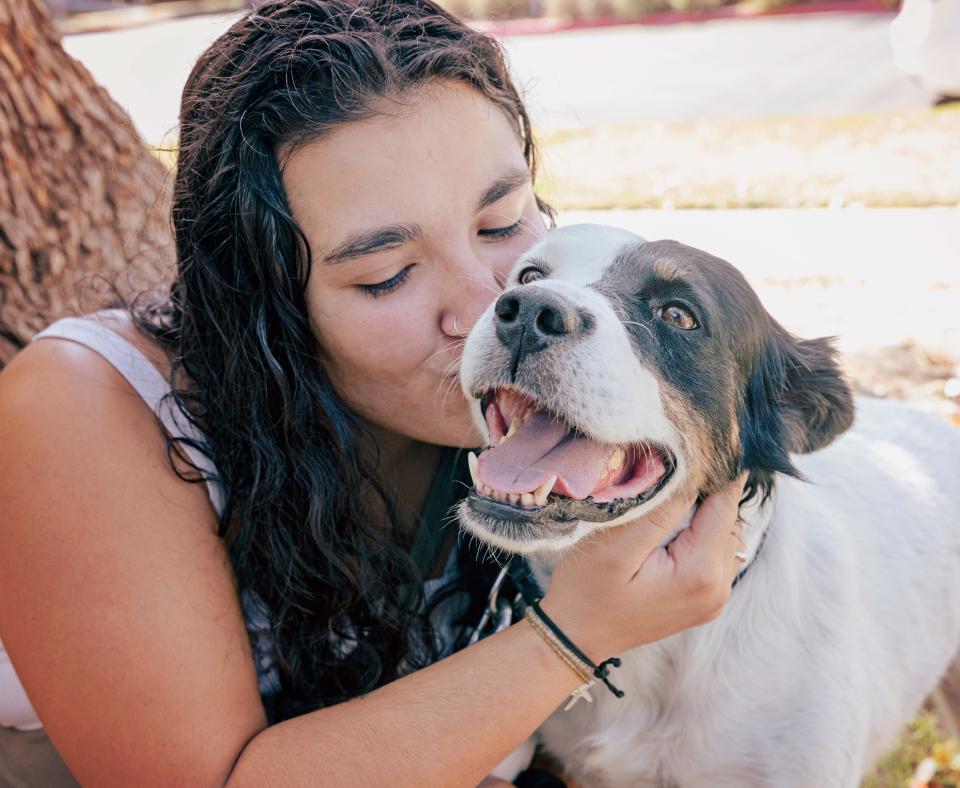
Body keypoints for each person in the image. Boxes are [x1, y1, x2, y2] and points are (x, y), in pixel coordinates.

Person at [0, 0, 748, 784]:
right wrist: (571, 636)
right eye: (386, 274)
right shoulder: (86, 403)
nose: (488, 308)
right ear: (265, 309)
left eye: (500, 223)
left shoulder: (554, 401)